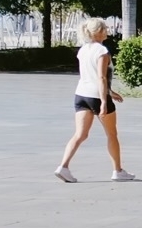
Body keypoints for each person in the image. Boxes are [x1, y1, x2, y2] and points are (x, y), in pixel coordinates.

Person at [56, 17, 135, 183]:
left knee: (80, 134)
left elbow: (90, 75)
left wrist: (110, 92)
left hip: (81, 95)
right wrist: (104, 100)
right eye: (105, 28)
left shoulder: (83, 50)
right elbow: (100, 77)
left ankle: (63, 166)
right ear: (99, 32)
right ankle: (117, 171)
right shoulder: (102, 51)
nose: (107, 30)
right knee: (112, 134)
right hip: (96, 96)